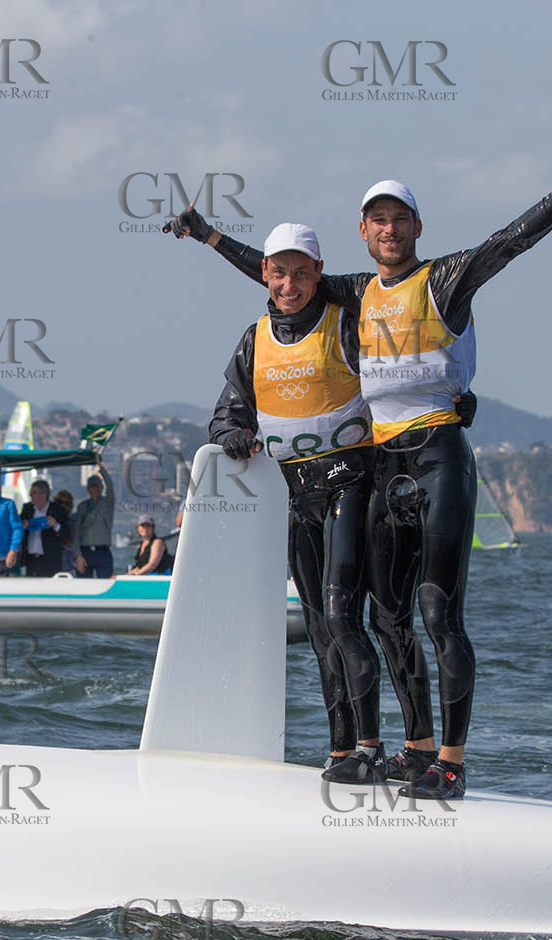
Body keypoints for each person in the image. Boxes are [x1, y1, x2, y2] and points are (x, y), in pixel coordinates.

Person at [168, 134, 552, 799]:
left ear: (416, 229)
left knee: (439, 615)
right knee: (383, 618)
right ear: (365, 232)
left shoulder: (445, 277)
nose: (389, 230)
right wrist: (208, 237)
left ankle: (452, 764)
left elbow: (511, 240)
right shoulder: (352, 291)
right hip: (382, 470)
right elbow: (279, 272)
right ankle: (414, 748)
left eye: (400, 219)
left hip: (438, 461)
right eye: (378, 220)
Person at [203, 222, 386, 783]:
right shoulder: (253, 339)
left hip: (353, 483)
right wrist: (232, 433)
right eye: (279, 273)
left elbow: (401, 378)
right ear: (266, 274)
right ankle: (339, 748)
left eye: (301, 273)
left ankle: (371, 747)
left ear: (318, 275)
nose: (290, 285)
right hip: (296, 496)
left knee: (341, 614)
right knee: (317, 623)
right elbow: (226, 412)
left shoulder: (346, 323)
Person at [20, 479, 71, 577]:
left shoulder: (57, 510)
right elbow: (17, 529)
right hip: (31, 560)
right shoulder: (27, 509)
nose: (31, 495)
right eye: (31, 493)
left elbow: (67, 534)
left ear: (44, 494)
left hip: (50, 561)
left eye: (34, 493)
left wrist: (56, 525)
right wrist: (22, 526)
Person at [72, 468, 114, 578]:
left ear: (101, 488)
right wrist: (77, 555)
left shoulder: (107, 504)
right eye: (92, 486)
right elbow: (76, 533)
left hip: (102, 552)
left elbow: (110, 485)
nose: (94, 489)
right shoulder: (82, 506)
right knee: (83, 586)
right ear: (88, 489)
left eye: (97, 486)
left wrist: (101, 468)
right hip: (85, 552)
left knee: (105, 585)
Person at [53, 489, 79, 572]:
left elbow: (70, 541)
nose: (62, 505)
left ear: (70, 506)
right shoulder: (48, 518)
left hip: (69, 565)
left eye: (66, 503)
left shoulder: (74, 520)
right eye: (59, 502)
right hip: (50, 565)